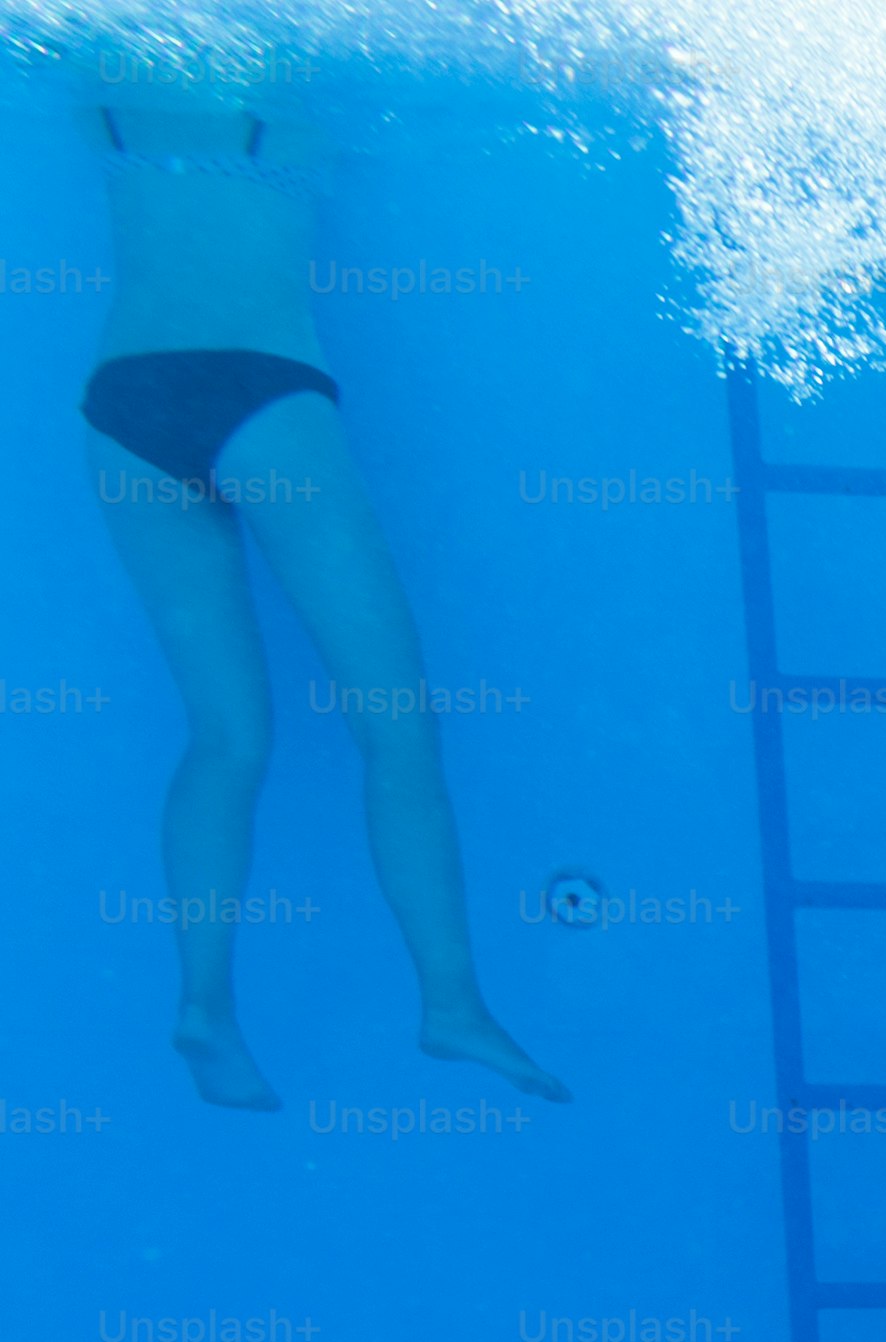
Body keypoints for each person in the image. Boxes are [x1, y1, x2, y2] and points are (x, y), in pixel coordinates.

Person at [80, 81, 563, 1111]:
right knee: (397, 727)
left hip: (121, 400)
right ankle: (451, 1002)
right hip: (262, 391)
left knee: (224, 737)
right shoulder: (297, 73)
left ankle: (204, 1002)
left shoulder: (102, 76)